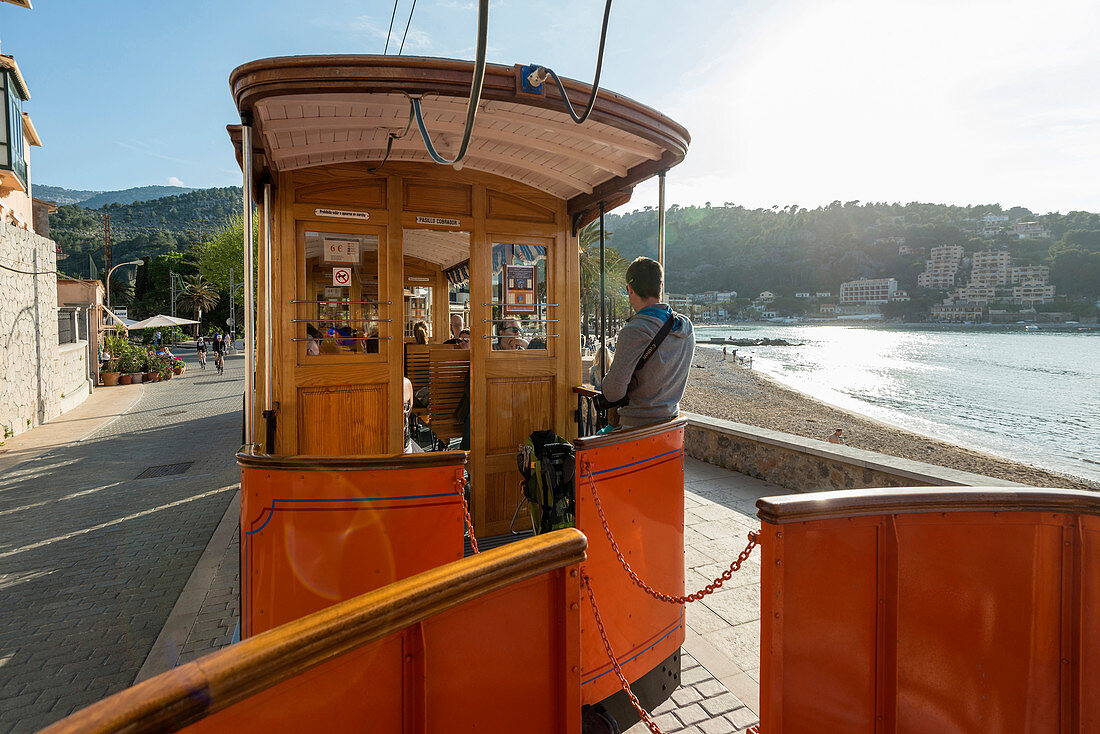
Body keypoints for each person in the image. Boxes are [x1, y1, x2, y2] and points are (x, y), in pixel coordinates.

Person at [599, 257, 695, 430]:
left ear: (630, 289)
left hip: (637, 428)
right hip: (670, 424)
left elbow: (613, 393)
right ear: (661, 287)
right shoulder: (685, 326)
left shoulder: (634, 330)